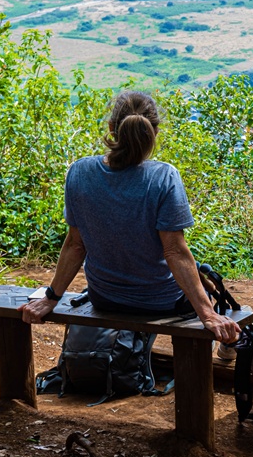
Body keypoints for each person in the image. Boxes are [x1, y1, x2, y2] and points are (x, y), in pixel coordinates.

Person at [18, 91, 240, 349]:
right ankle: (227, 348)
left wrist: (51, 297)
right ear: (154, 132)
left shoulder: (80, 171)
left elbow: (75, 245)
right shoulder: (164, 177)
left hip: (106, 298)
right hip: (160, 302)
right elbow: (175, 252)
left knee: (198, 272)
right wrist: (208, 314)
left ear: (112, 128)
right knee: (204, 277)